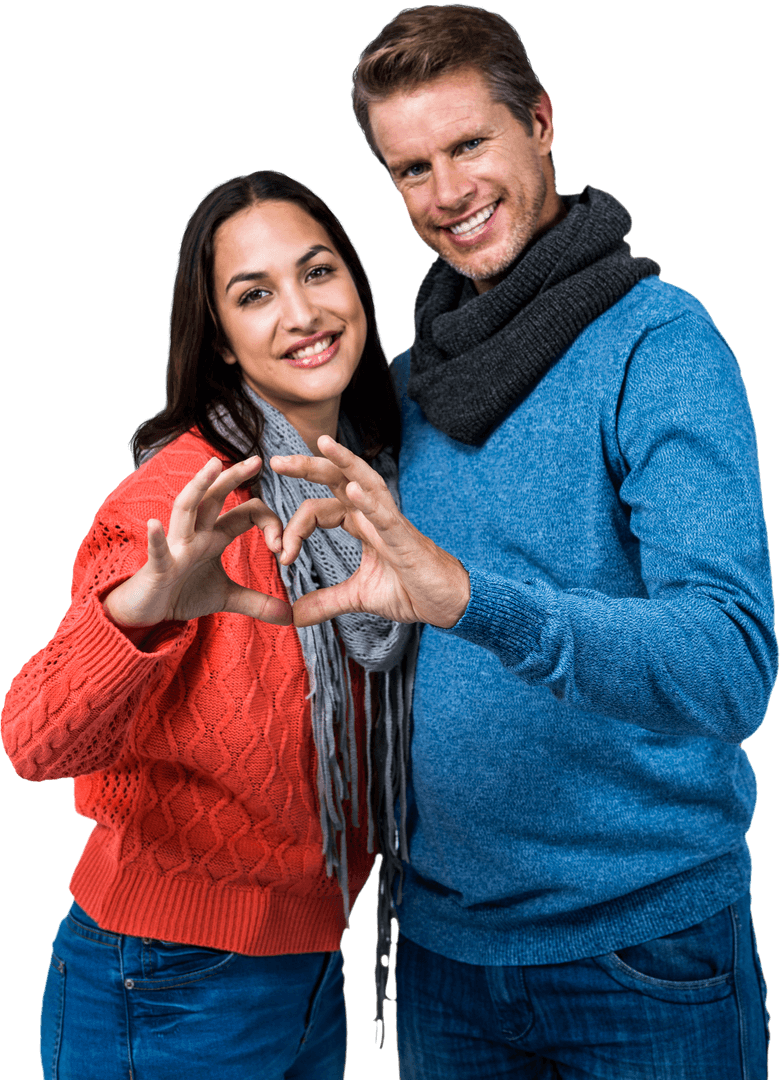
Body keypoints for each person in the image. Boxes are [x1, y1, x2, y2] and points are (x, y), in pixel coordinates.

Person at [269, 6, 778, 1077]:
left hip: (642, 956)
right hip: (446, 960)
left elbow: (731, 665)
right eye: (411, 169)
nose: (447, 193)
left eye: (468, 145)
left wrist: (473, 599)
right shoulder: (408, 385)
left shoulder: (659, 347)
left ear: (540, 123)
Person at [1, 169, 415, 1080]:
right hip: (164, 976)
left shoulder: (369, 484)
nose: (301, 313)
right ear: (221, 340)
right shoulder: (183, 497)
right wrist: (141, 611)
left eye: (318, 272)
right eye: (254, 294)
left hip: (306, 972)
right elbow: (31, 740)